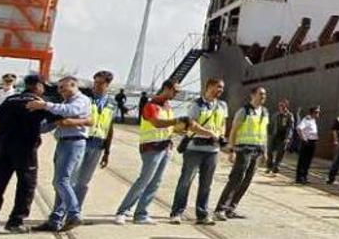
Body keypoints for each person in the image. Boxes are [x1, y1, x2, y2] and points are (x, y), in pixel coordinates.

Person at [0, 75, 51, 234]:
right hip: (26, 151)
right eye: (43, 86)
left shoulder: (10, 100)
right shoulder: (38, 103)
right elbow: (58, 120)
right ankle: (15, 221)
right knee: (26, 186)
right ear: (38, 86)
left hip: (3, 149)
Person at [115, 80, 186, 225]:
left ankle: (141, 214)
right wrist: (176, 120)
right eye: (175, 91)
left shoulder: (168, 107)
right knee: (144, 180)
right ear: (166, 88)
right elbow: (157, 123)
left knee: (156, 182)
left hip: (165, 147)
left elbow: (169, 127)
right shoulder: (150, 105)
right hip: (151, 147)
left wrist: (183, 128)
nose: (176, 94)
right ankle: (123, 211)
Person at [27, 76, 92, 232]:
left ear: (74, 85)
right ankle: (55, 219)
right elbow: (51, 124)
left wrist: (44, 105)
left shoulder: (81, 100)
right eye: (59, 88)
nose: (60, 90)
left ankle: (74, 213)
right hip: (64, 142)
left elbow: (70, 111)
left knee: (61, 181)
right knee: (62, 183)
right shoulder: (63, 103)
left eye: (63, 87)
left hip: (74, 142)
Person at [170, 78, 227, 225]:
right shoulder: (196, 104)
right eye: (218, 87)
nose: (220, 90)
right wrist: (210, 134)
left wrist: (220, 135)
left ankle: (202, 214)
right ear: (209, 87)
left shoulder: (222, 105)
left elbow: (223, 124)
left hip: (213, 151)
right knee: (186, 181)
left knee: (206, 184)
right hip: (195, 149)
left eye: (222, 88)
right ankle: (176, 213)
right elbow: (192, 125)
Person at [214, 87, 268, 220]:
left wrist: (265, 151)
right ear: (252, 95)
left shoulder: (264, 112)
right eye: (260, 94)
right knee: (236, 179)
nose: (263, 96)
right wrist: (231, 150)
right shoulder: (244, 111)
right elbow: (233, 131)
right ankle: (220, 209)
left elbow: (264, 132)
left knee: (247, 181)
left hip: (257, 150)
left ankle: (230, 209)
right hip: (244, 150)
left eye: (264, 94)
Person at [72, 71, 115, 206]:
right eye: (95, 83)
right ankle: (62, 211)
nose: (96, 86)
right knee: (71, 179)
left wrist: (107, 152)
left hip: (97, 145)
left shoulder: (111, 104)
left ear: (108, 85)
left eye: (100, 83)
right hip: (81, 141)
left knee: (84, 181)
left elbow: (109, 129)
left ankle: (75, 211)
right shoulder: (85, 100)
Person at [265, 98, 294, 175]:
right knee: (269, 151)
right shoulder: (275, 115)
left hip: (283, 137)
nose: (281, 107)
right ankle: (269, 167)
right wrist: (267, 135)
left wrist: (288, 138)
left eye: (283, 105)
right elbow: (270, 125)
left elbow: (290, 128)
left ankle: (276, 166)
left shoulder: (289, 116)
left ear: (286, 106)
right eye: (280, 105)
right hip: (273, 136)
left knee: (280, 153)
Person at [294, 106, 320, 184]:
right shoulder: (307, 119)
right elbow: (299, 128)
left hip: (312, 142)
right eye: (317, 112)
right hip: (307, 142)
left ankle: (304, 177)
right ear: (313, 113)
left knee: (308, 161)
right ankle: (299, 178)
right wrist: (303, 138)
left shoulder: (313, 120)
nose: (318, 114)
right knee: (303, 160)